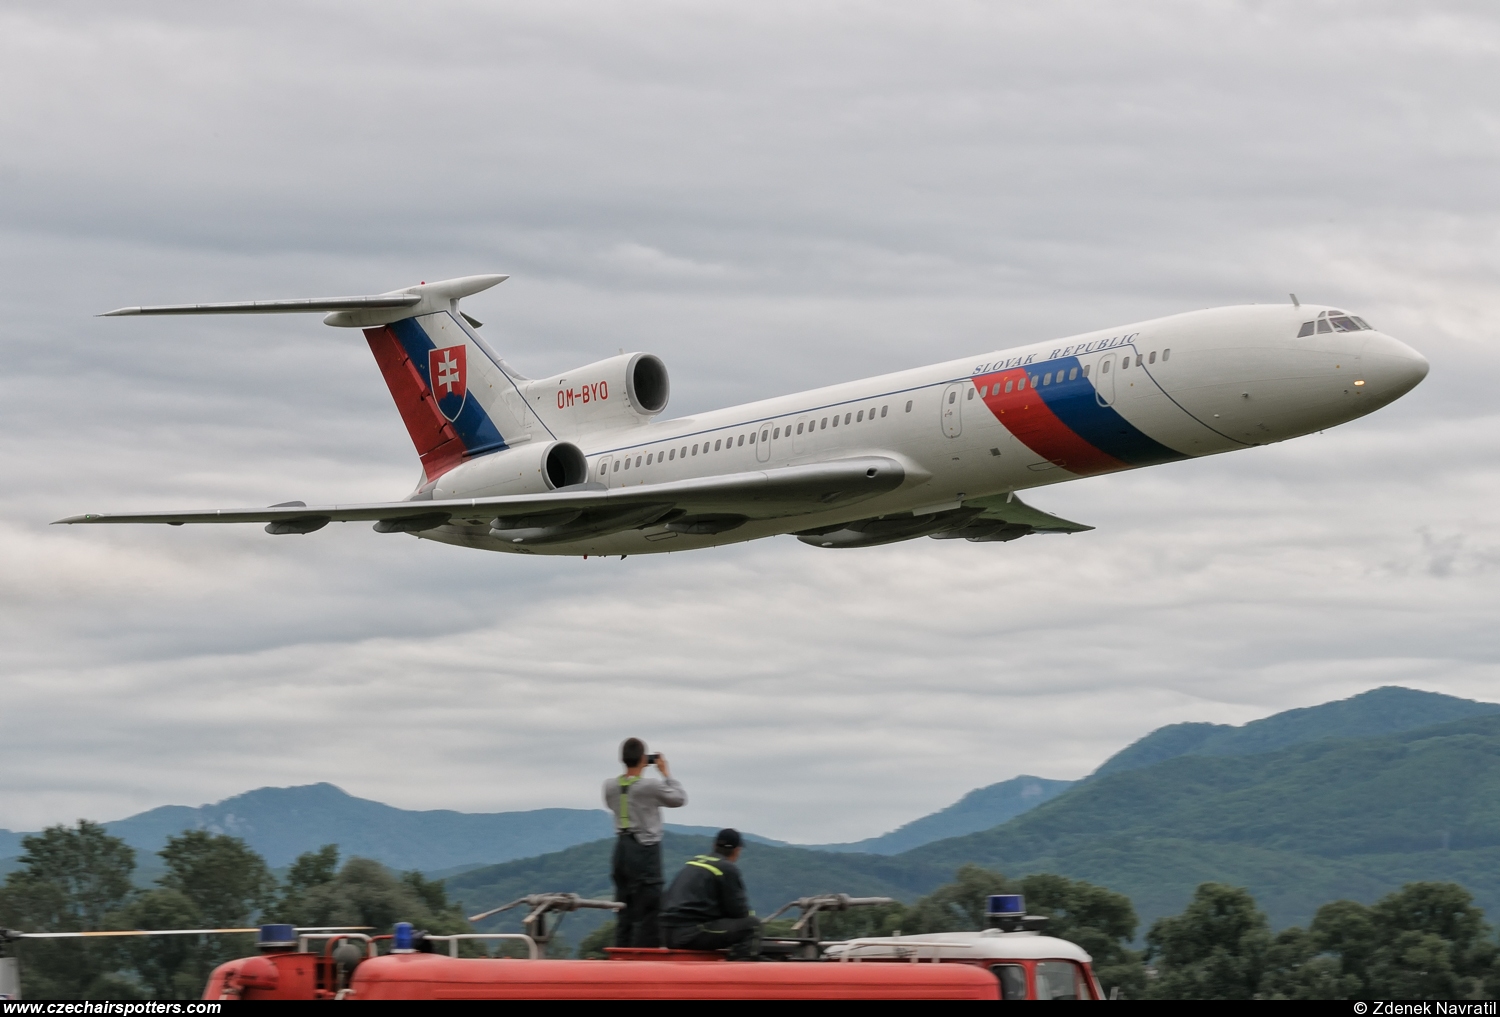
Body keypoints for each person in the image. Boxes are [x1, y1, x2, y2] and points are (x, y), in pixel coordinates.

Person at [603, 737, 686, 948]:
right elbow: (679, 799)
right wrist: (666, 774)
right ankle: (644, 963)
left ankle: (620, 958)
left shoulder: (610, 786)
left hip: (621, 850)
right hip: (644, 849)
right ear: (643, 759)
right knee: (649, 911)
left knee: (624, 909)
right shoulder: (648, 786)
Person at [658, 828, 761, 958]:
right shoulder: (726, 868)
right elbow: (739, 911)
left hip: (665, 932)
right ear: (737, 850)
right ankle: (739, 972)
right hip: (690, 933)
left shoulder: (695, 862)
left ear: (714, 845)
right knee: (752, 926)